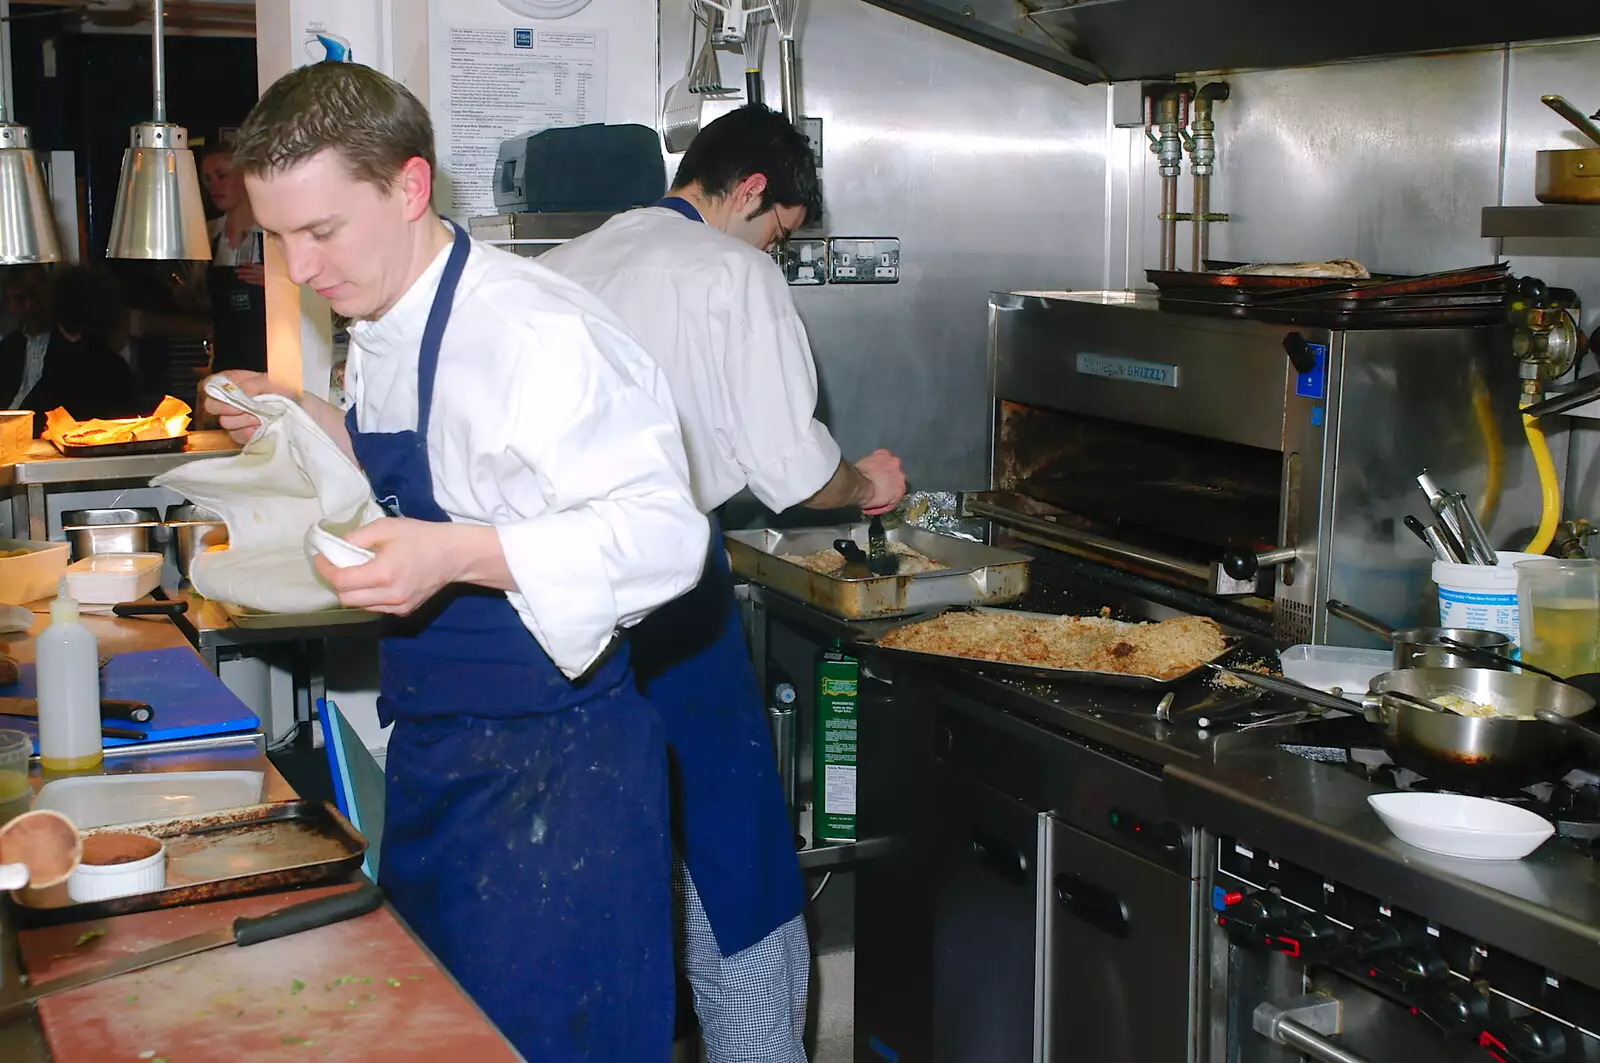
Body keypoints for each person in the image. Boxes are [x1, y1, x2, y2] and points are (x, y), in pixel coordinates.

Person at [206, 61, 708, 1062]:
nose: (300, 270)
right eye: (278, 237)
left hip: (559, 775)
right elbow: (460, 470)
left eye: (321, 232)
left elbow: (666, 535)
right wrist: (316, 424)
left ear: (408, 186)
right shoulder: (386, 318)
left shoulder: (536, 331)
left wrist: (455, 555)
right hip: (445, 753)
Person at [541, 105, 907, 1063]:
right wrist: (867, 485)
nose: (776, 250)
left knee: (621, 857)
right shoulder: (730, 272)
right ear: (750, 192)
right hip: (669, 592)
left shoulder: (566, 263)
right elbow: (795, 472)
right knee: (735, 862)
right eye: (781, 229)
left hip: (554, 594)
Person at [3, 265, 141, 433]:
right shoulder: (119, 370)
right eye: (19, 299)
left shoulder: (60, 367)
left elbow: (30, 422)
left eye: (34, 295)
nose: (30, 305)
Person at [200, 144, 268, 373]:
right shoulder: (206, 235)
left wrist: (280, 283)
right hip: (224, 367)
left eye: (222, 176)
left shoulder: (275, 233)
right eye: (208, 179)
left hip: (271, 367)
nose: (214, 186)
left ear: (247, 175)